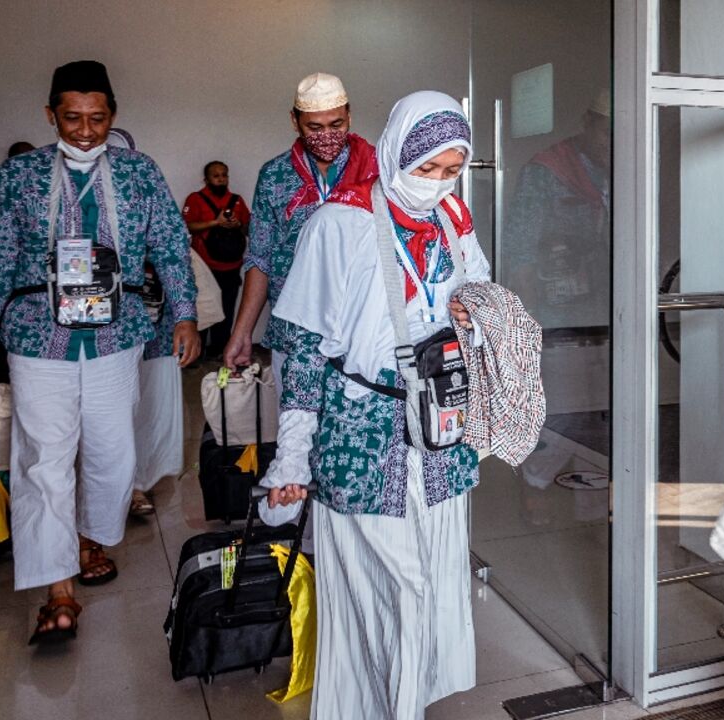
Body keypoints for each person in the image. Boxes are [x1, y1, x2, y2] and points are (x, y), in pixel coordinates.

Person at [0, 60, 199, 645]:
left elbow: (169, 243)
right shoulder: (20, 175)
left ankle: (89, 537)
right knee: (43, 459)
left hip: (115, 335)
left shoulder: (138, 171)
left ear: (114, 115)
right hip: (38, 336)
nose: (86, 131)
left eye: (98, 118)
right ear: (50, 116)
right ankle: (57, 588)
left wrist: (184, 313)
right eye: (72, 118)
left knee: (113, 452)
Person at [260, 91, 487, 720]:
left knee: (433, 581)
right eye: (426, 168)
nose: (436, 183)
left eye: (451, 170)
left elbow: (481, 294)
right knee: (395, 589)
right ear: (394, 154)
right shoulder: (340, 223)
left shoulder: (452, 219)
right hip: (362, 437)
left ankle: (397, 704)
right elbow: (304, 351)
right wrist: (292, 459)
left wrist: (472, 312)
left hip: (438, 431)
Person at [222, 72, 377, 389]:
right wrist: (242, 331)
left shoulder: (375, 169)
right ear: (295, 121)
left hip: (362, 332)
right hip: (294, 333)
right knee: (295, 418)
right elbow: (261, 258)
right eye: (314, 128)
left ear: (349, 115)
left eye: (336, 125)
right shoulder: (275, 176)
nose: (327, 136)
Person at [505, 89, 610, 330]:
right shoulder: (544, 171)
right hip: (556, 309)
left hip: (606, 303)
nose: (613, 143)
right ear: (587, 123)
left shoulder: (625, 167)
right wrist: (529, 319)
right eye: (607, 133)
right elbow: (520, 250)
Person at [183, 160, 250, 359]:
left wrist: (237, 224)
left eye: (224, 175)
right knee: (203, 309)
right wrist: (215, 222)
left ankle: (221, 351)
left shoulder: (237, 200)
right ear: (206, 179)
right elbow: (186, 226)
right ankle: (197, 353)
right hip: (204, 266)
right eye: (216, 176)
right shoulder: (195, 199)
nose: (221, 179)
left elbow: (249, 227)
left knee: (226, 310)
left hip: (232, 265)